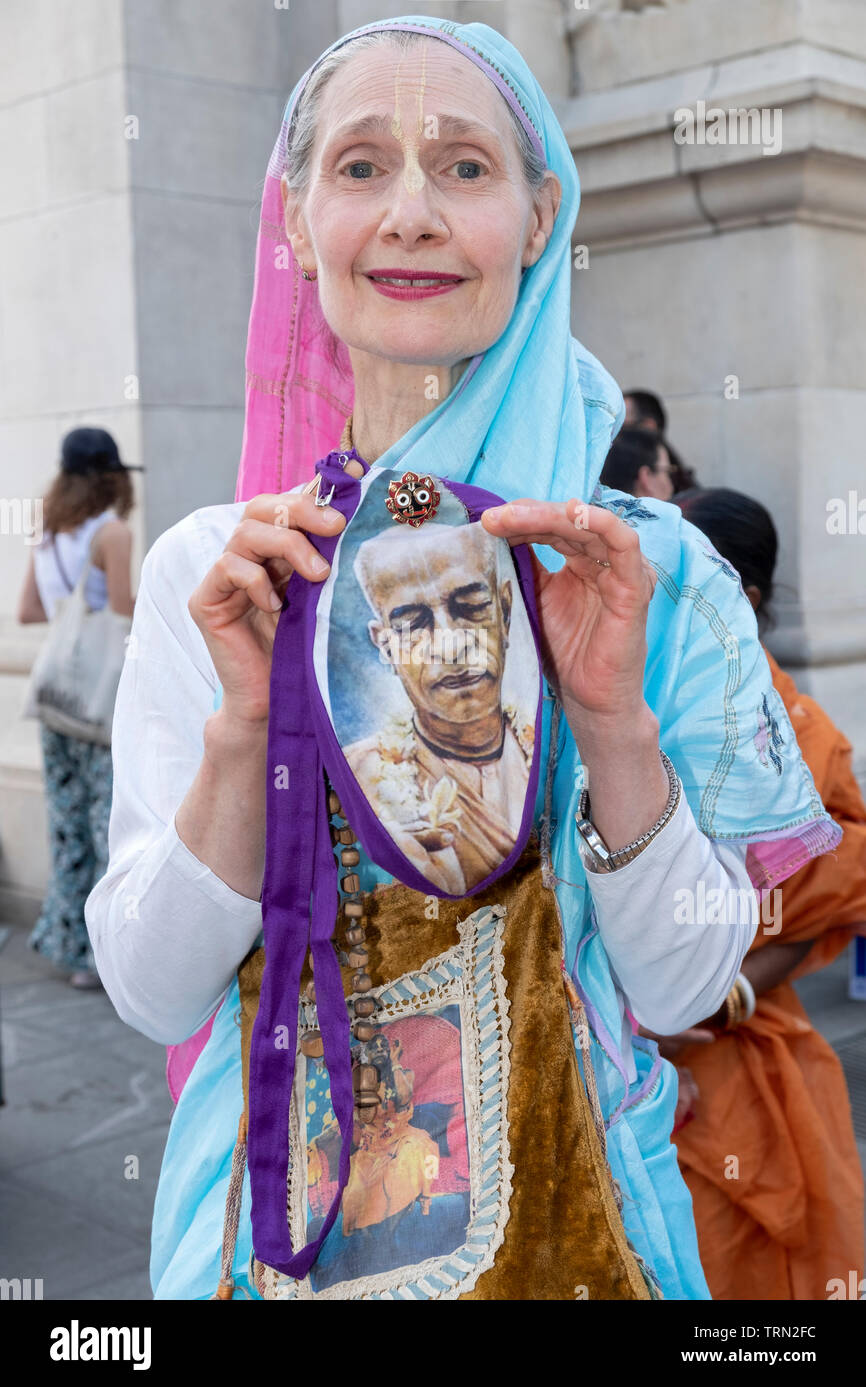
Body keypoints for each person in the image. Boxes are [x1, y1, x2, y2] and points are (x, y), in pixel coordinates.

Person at [86, 16, 842, 1301]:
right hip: (265, 1254)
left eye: (467, 168)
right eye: (362, 166)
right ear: (297, 221)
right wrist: (245, 721)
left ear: (543, 216)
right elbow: (156, 995)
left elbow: (679, 986)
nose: (413, 215)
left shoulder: (640, 574)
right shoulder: (222, 574)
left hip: (586, 1246)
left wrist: (609, 721)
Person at [664, 485, 866, 1299]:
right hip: (628, 1061)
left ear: (740, 597)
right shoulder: (627, 702)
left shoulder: (794, 725)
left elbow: (848, 872)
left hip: (737, 1059)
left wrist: (726, 1000)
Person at [346, 523, 531, 892]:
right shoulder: (353, 780)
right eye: (412, 624)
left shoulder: (563, 743)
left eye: (473, 608)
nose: (450, 645)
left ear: (505, 611)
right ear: (385, 645)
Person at [17, 427, 137, 989]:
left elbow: (29, 611)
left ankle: (66, 942)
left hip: (55, 699)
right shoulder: (110, 533)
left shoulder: (49, 534)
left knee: (66, 823)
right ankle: (100, 958)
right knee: (104, 821)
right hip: (97, 702)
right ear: (111, 476)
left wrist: (72, 616)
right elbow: (122, 609)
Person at [600, 426, 676, 501]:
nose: (672, 486)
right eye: (668, 472)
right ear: (646, 475)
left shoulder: (592, 510)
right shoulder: (670, 512)